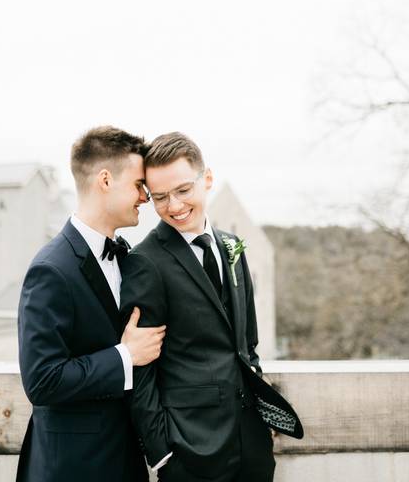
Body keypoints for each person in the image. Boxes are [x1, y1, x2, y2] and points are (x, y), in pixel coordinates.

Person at [121, 132, 303, 482]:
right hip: (189, 453)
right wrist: (161, 455)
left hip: (251, 446)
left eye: (183, 190)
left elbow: (247, 346)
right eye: (160, 197)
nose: (174, 206)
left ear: (207, 179)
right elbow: (141, 372)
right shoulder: (145, 262)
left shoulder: (233, 246)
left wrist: (260, 425)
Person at [16, 126, 166, 482]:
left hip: (125, 462)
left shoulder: (127, 257)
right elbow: (41, 380)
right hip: (72, 467)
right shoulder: (51, 269)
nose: (145, 198)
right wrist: (125, 357)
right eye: (137, 185)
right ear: (105, 180)